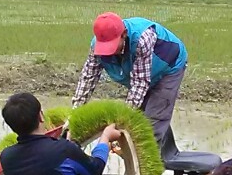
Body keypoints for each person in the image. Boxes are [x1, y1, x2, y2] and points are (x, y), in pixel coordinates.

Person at [72, 13, 187, 152]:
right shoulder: (96, 46)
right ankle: (148, 153)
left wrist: (121, 122)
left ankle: (149, 161)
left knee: (152, 122)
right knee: (138, 118)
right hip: (141, 72)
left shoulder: (142, 39)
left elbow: (140, 83)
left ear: (124, 34)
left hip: (168, 67)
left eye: (112, 46)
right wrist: (75, 113)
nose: (109, 51)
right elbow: (88, 77)